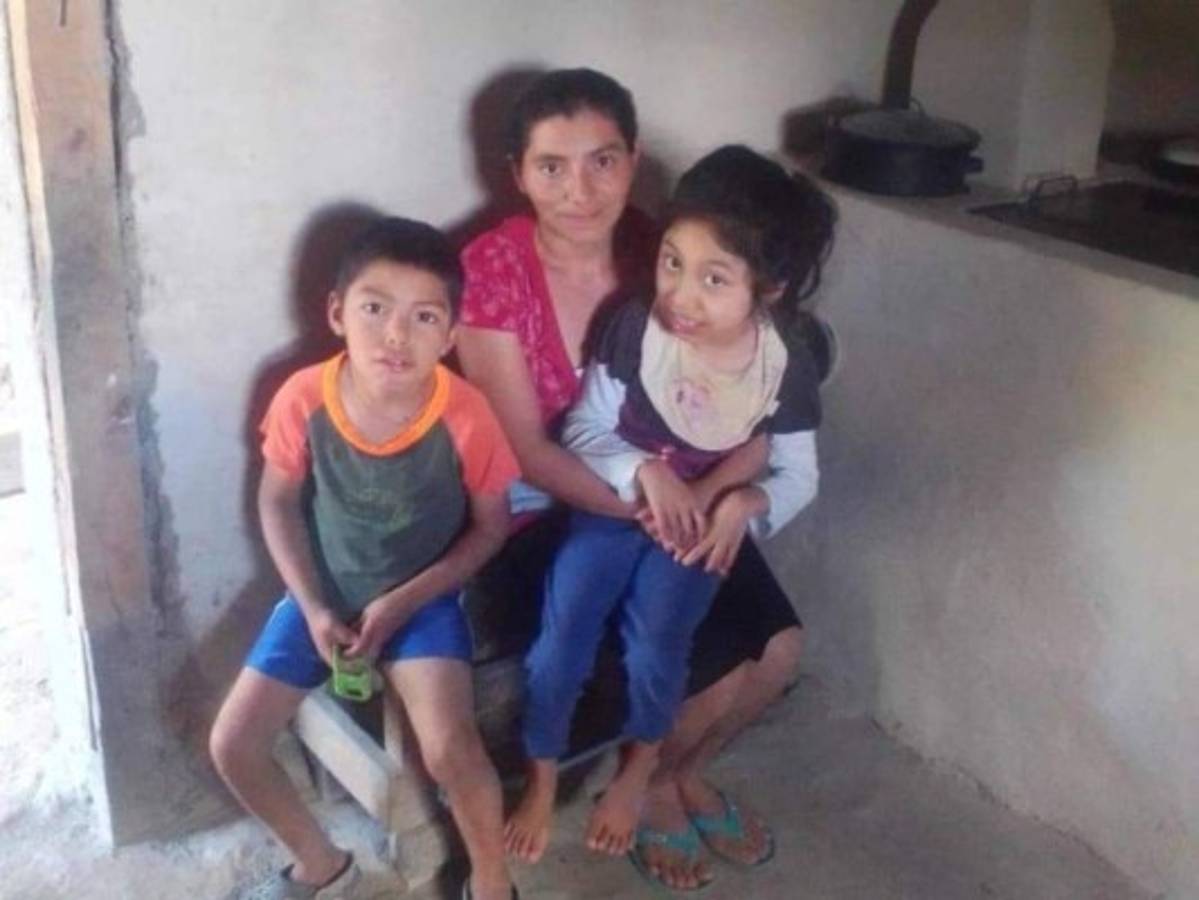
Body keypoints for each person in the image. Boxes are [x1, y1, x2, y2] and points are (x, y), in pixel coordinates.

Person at [457, 68, 834, 892]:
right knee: (708, 663)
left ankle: (674, 774)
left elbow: (759, 421)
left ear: (632, 160)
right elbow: (531, 451)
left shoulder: (671, 247)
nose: (579, 189)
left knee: (778, 650)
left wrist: (715, 500)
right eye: (551, 166)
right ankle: (652, 788)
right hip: (559, 510)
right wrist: (660, 508)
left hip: (684, 498)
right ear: (517, 172)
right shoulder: (492, 271)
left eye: (602, 161)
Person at [209, 217, 521, 900]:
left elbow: (491, 528)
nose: (395, 335)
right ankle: (322, 866)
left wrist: (403, 601)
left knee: (451, 749)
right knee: (233, 745)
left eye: (423, 316)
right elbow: (276, 502)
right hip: (323, 595)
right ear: (337, 313)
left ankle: (493, 884)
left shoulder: (465, 414)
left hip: (422, 599)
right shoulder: (303, 398)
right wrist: (314, 607)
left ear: (450, 334)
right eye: (375, 308)